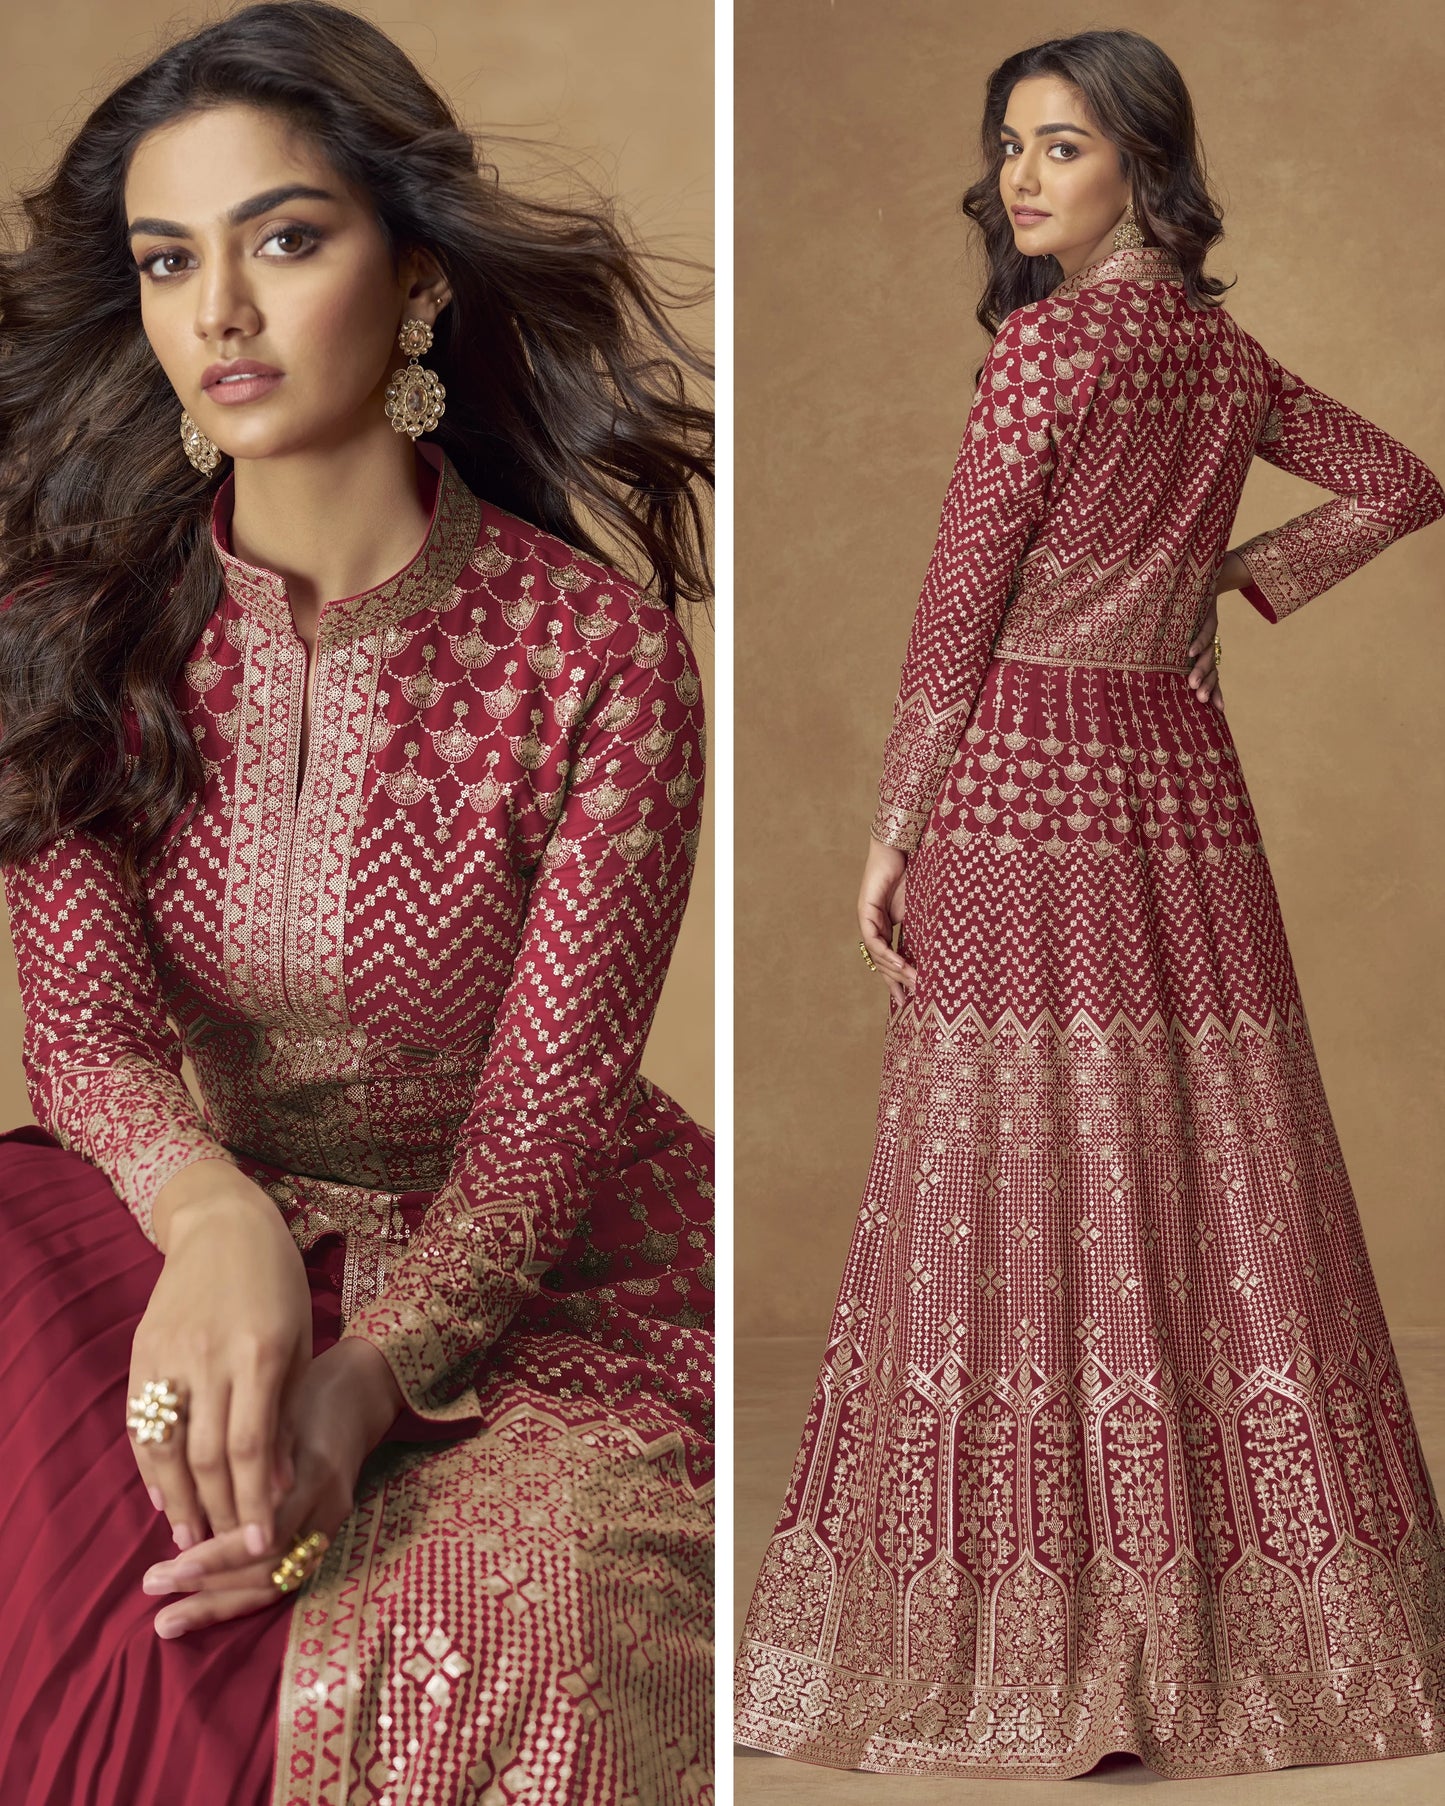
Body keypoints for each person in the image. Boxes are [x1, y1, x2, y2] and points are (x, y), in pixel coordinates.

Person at [0, 4, 714, 1801]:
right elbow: (81, 1031)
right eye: (171, 260)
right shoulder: (76, 629)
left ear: (411, 279)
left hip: (525, 1276)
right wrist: (217, 1226)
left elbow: (541, 1132)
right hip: (166, 1201)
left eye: (286, 238)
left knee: (533, 1649)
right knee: (101, 1580)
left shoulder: (598, 659)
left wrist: (364, 1382)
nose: (217, 312)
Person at [734, 27, 1445, 1782]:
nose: (1019, 179)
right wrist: (1227, 579)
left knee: (1008, 1168)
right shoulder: (1220, 354)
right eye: (1007, 148)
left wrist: (892, 823)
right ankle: (1260, 1619)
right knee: (1205, 1150)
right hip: (1177, 781)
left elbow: (955, 602)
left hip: (1015, 778)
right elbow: (1404, 479)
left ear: (1140, 160)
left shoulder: (1045, 357)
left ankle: (1040, 1641)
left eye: (1059, 146)